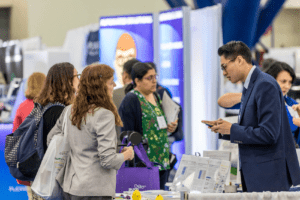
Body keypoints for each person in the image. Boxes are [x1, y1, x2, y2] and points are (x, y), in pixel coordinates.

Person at [202, 41, 300, 192]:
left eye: (224, 67)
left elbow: (268, 134)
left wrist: (232, 129)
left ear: (240, 60)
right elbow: (253, 127)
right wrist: (224, 129)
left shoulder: (264, 84)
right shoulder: (251, 86)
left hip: (269, 177)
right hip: (258, 176)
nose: (223, 72)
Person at [47, 63, 134, 200]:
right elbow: (108, 160)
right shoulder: (104, 115)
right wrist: (127, 155)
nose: (114, 86)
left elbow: (51, 139)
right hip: (95, 190)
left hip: (71, 186)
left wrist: (74, 152)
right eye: (111, 83)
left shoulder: (69, 110)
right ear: (100, 87)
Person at [119, 62, 178, 190]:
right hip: (144, 163)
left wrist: (171, 127)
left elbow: (159, 123)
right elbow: (128, 134)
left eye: (155, 77)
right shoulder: (131, 99)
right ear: (137, 81)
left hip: (162, 160)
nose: (154, 81)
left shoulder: (156, 96)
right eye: (149, 78)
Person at [218, 61, 300, 147]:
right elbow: (223, 102)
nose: (287, 86)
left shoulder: (292, 104)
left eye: (290, 82)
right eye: (283, 81)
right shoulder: (260, 99)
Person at [32, 62, 80, 200]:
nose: (80, 80)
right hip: (57, 181)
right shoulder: (60, 112)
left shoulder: (47, 107)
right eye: (77, 76)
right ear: (68, 82)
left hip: (47, 177)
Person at [12, 72, 46, 200]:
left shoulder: (22, 107)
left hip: (29, 161)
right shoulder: (51, 105)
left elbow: (15, 136)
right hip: (47, 161)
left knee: (32, 196)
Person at [113, 58, 140, 143]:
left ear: (124, 75)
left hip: (120, 147)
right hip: (145, 148)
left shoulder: (113, 95)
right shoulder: (150, 95)